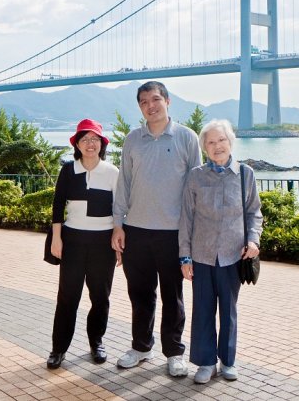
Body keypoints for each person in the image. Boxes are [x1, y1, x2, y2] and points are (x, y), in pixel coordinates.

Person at [111, 81, 201, 377]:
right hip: (135, 230)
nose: (151, 105)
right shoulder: (132, 140)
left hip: (173, 233)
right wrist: (118, 225)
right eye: (144, 102)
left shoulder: (187, 138)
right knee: (140, 294)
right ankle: (141, 347)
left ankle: (174, 352)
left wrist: (192, 234)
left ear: (168, 101)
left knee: (172, 296)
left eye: (155, 99)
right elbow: (123, 183)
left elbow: (195, 189)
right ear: (140, 107)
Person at [178, 119, 263, 384]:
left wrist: (253, 240)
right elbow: (186, 219)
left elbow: (254, 213)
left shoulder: (246, 174)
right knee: (202, 310)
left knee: (228, 310)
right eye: (211, 142)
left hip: (233, 255)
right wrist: (185, 257)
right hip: (201, 256)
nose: (217, 146)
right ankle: (205, 363)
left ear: (230, 142)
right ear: (204, 147)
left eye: (221, 140)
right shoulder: (195, 176)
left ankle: (228, 361)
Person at [47, 118, 120, 369]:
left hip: (103, 243)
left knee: (101, 297)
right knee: (68, 297)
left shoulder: (112, 172)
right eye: (85, 139)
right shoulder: (68, 170)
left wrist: (118, 238)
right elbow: (57, 206)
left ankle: (96, 341)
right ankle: (58, 349)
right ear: (77, 144)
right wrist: (57, 239)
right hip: (73, 240)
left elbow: (119, 209)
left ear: (102, 143)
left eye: (95, 139)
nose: (90, 144)